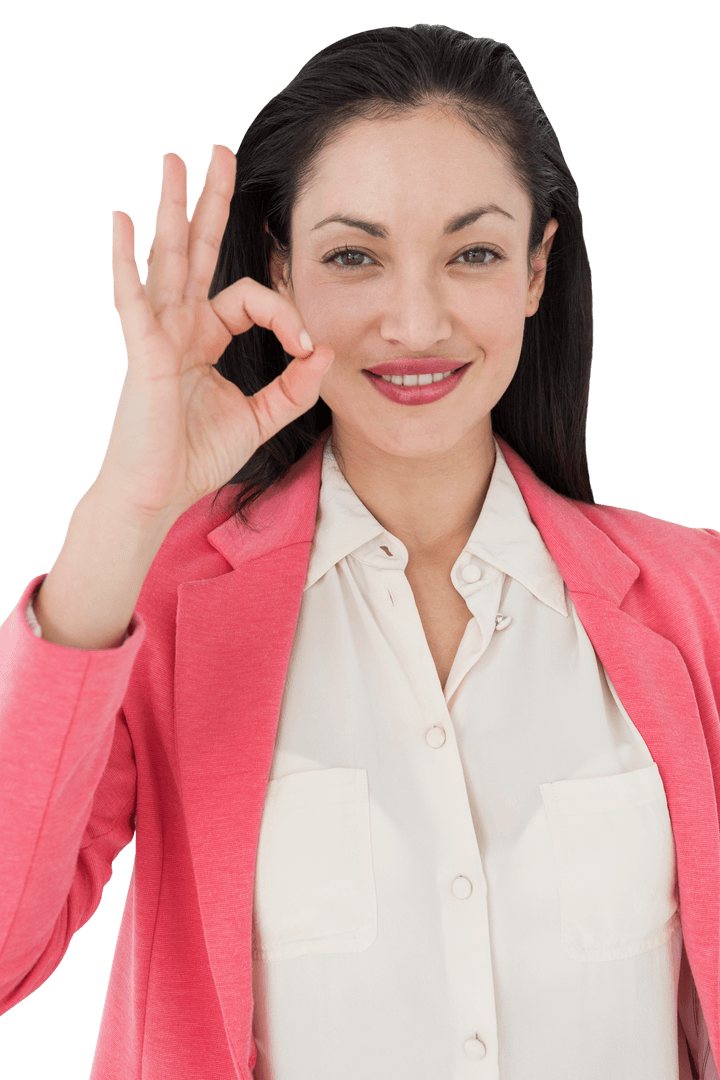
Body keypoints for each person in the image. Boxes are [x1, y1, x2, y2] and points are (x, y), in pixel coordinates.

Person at [0, 22, 718, 1080]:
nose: (416, 319)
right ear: (281, 269)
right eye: (353, 256)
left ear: (536, 268)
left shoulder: (695, 601)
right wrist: (125, 509)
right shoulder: (161, 608)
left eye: (472, 252)